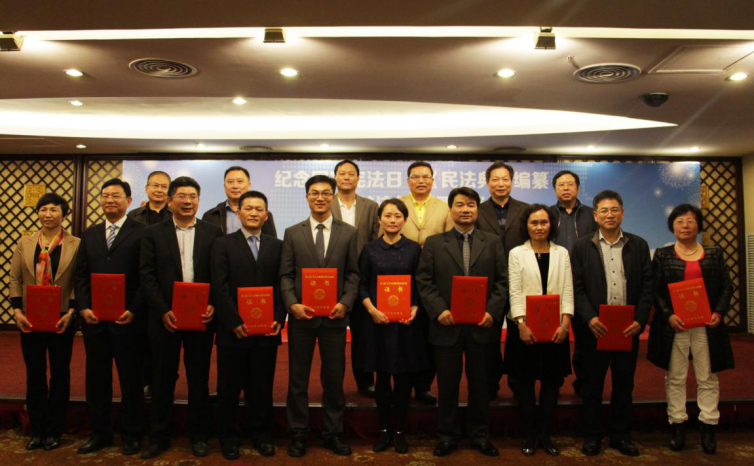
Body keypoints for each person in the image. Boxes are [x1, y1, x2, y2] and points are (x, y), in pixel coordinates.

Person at [416, 187, 507, 458]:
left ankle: (480, 435)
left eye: (470, 205)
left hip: (482, 325)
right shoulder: (434, 243)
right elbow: (424, 281)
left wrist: (492, 311)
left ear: (477, 209)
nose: (465, 209)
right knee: (447, 385)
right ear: (451, 209)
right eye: (459, 205)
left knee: (480, 384)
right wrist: (438, 310)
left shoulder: (492, 242)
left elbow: (503, 281)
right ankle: (447, 435)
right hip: (447, 325)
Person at [139, 176, 223, 459]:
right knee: (162, 378)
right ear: (170, 201)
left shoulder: (213, 233)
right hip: (165, 318)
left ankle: (199, 436)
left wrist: (213, 304)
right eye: (182, 196)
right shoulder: (153, 233)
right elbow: (147, 276)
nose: (188, 202)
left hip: (201, 318)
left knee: (199, 378)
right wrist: (162, 310)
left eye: (193, 196)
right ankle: (159, 436)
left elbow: (219, 274)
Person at [280, 175, 360, 458]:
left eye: (326, 193)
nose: (320, 198)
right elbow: (286, 275)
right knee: (298, 379)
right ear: (306, 197)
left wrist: (345, 303)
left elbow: (353, 274)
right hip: (301, 318)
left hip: (335, 319)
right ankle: (298, 433)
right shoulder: (293, 232)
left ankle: (333, 433)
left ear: (333, 197)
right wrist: (292, 304)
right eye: (314, 193)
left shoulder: (348, 232)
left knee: (334, 378)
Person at [571, 190, 653, 457]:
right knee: (592, 385)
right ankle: (592, 435)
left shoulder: (638, 245)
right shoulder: (582, 246)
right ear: (595, 215)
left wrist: (640, 319)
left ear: (623, 213)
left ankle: (621, 435)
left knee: (624, 384)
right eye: (604, 211)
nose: (610, 215)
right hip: (595, 328)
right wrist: (590, 317)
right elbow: (576, 287)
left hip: (627, 328)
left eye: (615, 210)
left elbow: (648, 286)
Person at [648, 204, 734, 455]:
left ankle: (709, 425)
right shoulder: (663, 255)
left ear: (699, 225)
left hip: (707, 326)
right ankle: (677, 424)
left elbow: (726, 287)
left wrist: (718, 312)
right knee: (676, 376)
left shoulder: (714, 254)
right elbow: (655, 290)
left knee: (707, 376)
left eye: (690, 221)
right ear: (672, 226)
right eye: (679, 221)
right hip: (676, 326)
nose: (685, 225)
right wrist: (669, 315)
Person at [211, 191, 285, 460]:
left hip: (266, 330)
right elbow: (219, 286)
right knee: (228, 387)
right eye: (249, 208)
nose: (254, 213)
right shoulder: (222, 244)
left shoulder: (278, 246)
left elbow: (282, 284)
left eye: (259, 209)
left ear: (266, 216)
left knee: (262, 387)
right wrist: (233, 321)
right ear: (239, 213)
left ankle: (262, 435)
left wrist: (279, 317)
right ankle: (229, 437)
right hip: (232, 331)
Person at [75, 179, 146, 456]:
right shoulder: (89, 234)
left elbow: (146, 276)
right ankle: (99, 433)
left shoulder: (142, 233)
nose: (109, 200)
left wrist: (134, 309)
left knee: (131, 379)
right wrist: (83, 308)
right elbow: (81, 276)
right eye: (105, 196)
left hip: (128, 320)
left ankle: (132, 434)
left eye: (116, 196)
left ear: (128, 200)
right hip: (95, 321)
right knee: (97, 379)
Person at [9, 193, 80, 451]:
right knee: (35, 373)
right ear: (38, 213)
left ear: (64, 213)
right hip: (30, 317)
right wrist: (17, 310)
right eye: (43, 209)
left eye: (54, 209)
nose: (48, 214)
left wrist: (71, 312)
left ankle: (55, 430)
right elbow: (15, 278)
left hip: (62, 317)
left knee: (60, 373)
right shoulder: (25, 242)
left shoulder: (76, 244)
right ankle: (37, 430)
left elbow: (78, 280)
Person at [358, 198, 427, 454]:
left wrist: (415, 308)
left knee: (403, 378)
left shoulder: (414, 249)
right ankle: (384, 429)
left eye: (398, 216)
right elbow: (362, 284)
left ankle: (399, 431)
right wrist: (372, 310)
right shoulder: (369, 249)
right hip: (378, 322)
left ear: (405, 219)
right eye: (387, 215)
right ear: (379, 219)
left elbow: (420, 284)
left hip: (406, 324)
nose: (392, 220)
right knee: (382, 378)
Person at [506, 204, 573, 456]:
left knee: (551, 383)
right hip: (525, 328)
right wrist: (520, 324)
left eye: (544, 222)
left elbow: (567, 289)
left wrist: (565, 324)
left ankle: (545, 434)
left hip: (555, 328)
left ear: (551, 225)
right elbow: (514, 290)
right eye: (534, 222)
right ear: (526, 226)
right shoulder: (516, 253)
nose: (539, 227)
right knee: (524, 383)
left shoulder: (561, 253)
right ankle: (529, 434)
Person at [397, 161, 453, 405]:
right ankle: (402, 385)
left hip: (434, 278)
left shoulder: (445, 208)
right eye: (415, 177)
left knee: (430, 335)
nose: (421, 181)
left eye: (425, 177)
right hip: (402, 277)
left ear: (433, 180)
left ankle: (424, 386)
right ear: (408, 181)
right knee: (406, 333)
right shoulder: (396, 205)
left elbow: (450, 242)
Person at [476, 161, 529, 398]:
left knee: (519, 336)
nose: (501, 184)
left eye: (505, 179)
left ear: (512, 182)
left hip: (521, 281)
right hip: (490, 283)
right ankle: (490, 384)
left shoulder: (526, 210)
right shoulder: (477, 210)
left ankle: (519, 384)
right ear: (487, 183)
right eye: (495, 179)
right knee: (489, 337)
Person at [331, 159, 380, 399]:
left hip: (362, 279)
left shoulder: (371, 206)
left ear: (358, 179)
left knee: (363, 335)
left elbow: (374, 241)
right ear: (335, 178)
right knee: (334, 337)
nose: (346, 177)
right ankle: (333, 385)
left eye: (351, 173)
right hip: (333, 279)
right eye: (342, 173)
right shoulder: (326, 203)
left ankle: (365, 381)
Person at [550, 169, 598, 398]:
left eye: (570, 184)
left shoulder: (592, 214)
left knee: (584, 337)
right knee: (554, 333)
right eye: (561, 185)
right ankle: (554, 380)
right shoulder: (548, 215)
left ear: (578, 188)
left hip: (584, 282)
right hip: (555, 282)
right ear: (554, 190)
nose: (566, 188)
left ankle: (584, 381)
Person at [128, 171, 172, 399]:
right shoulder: (133, 216)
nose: (159, 190)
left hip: (163, 288)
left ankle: (162, 383)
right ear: (146, 189)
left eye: (164, 186)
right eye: (155, 185)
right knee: (140, 338)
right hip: (138, 285)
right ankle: (144, 381)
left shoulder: (174, 215)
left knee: (163, 341)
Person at [202, 166, 277, 237]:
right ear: (224, 186)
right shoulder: (210, 215)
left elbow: (271, 242)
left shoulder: (263, 214)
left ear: (249, 185)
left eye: (240, 181)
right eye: (230, 182)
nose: (235, 186)